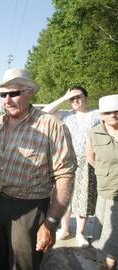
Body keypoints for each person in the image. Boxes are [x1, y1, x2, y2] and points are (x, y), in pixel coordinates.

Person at [0, 68, 77, 270]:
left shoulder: (52, 126)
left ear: (30, 93)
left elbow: (65, 176)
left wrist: (50, 223)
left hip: (28, 208)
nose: (7, 99)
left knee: (26, 264)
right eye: (3, 95)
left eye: (14, 93)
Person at [42, 86, 99, 246]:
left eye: (79, 97)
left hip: (87, 162)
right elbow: (45, 112)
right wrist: (64, 97)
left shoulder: (95, 114)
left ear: (86, 98)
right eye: (72, 98)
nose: (75, 100)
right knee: (64, 196)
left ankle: (80, 233)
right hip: (65, 161)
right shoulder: (65, 115)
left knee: (84, 198)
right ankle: (65, 228)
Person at [87, 94, 118, 270]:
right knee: (105, 226)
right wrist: (103, 170)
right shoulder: (94, 132)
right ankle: (106, 261)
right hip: (105, 187)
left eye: (117, 111)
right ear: (101, 115)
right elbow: (91, 157)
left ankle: (109, 262)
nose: (113, 115)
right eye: (108, 112)